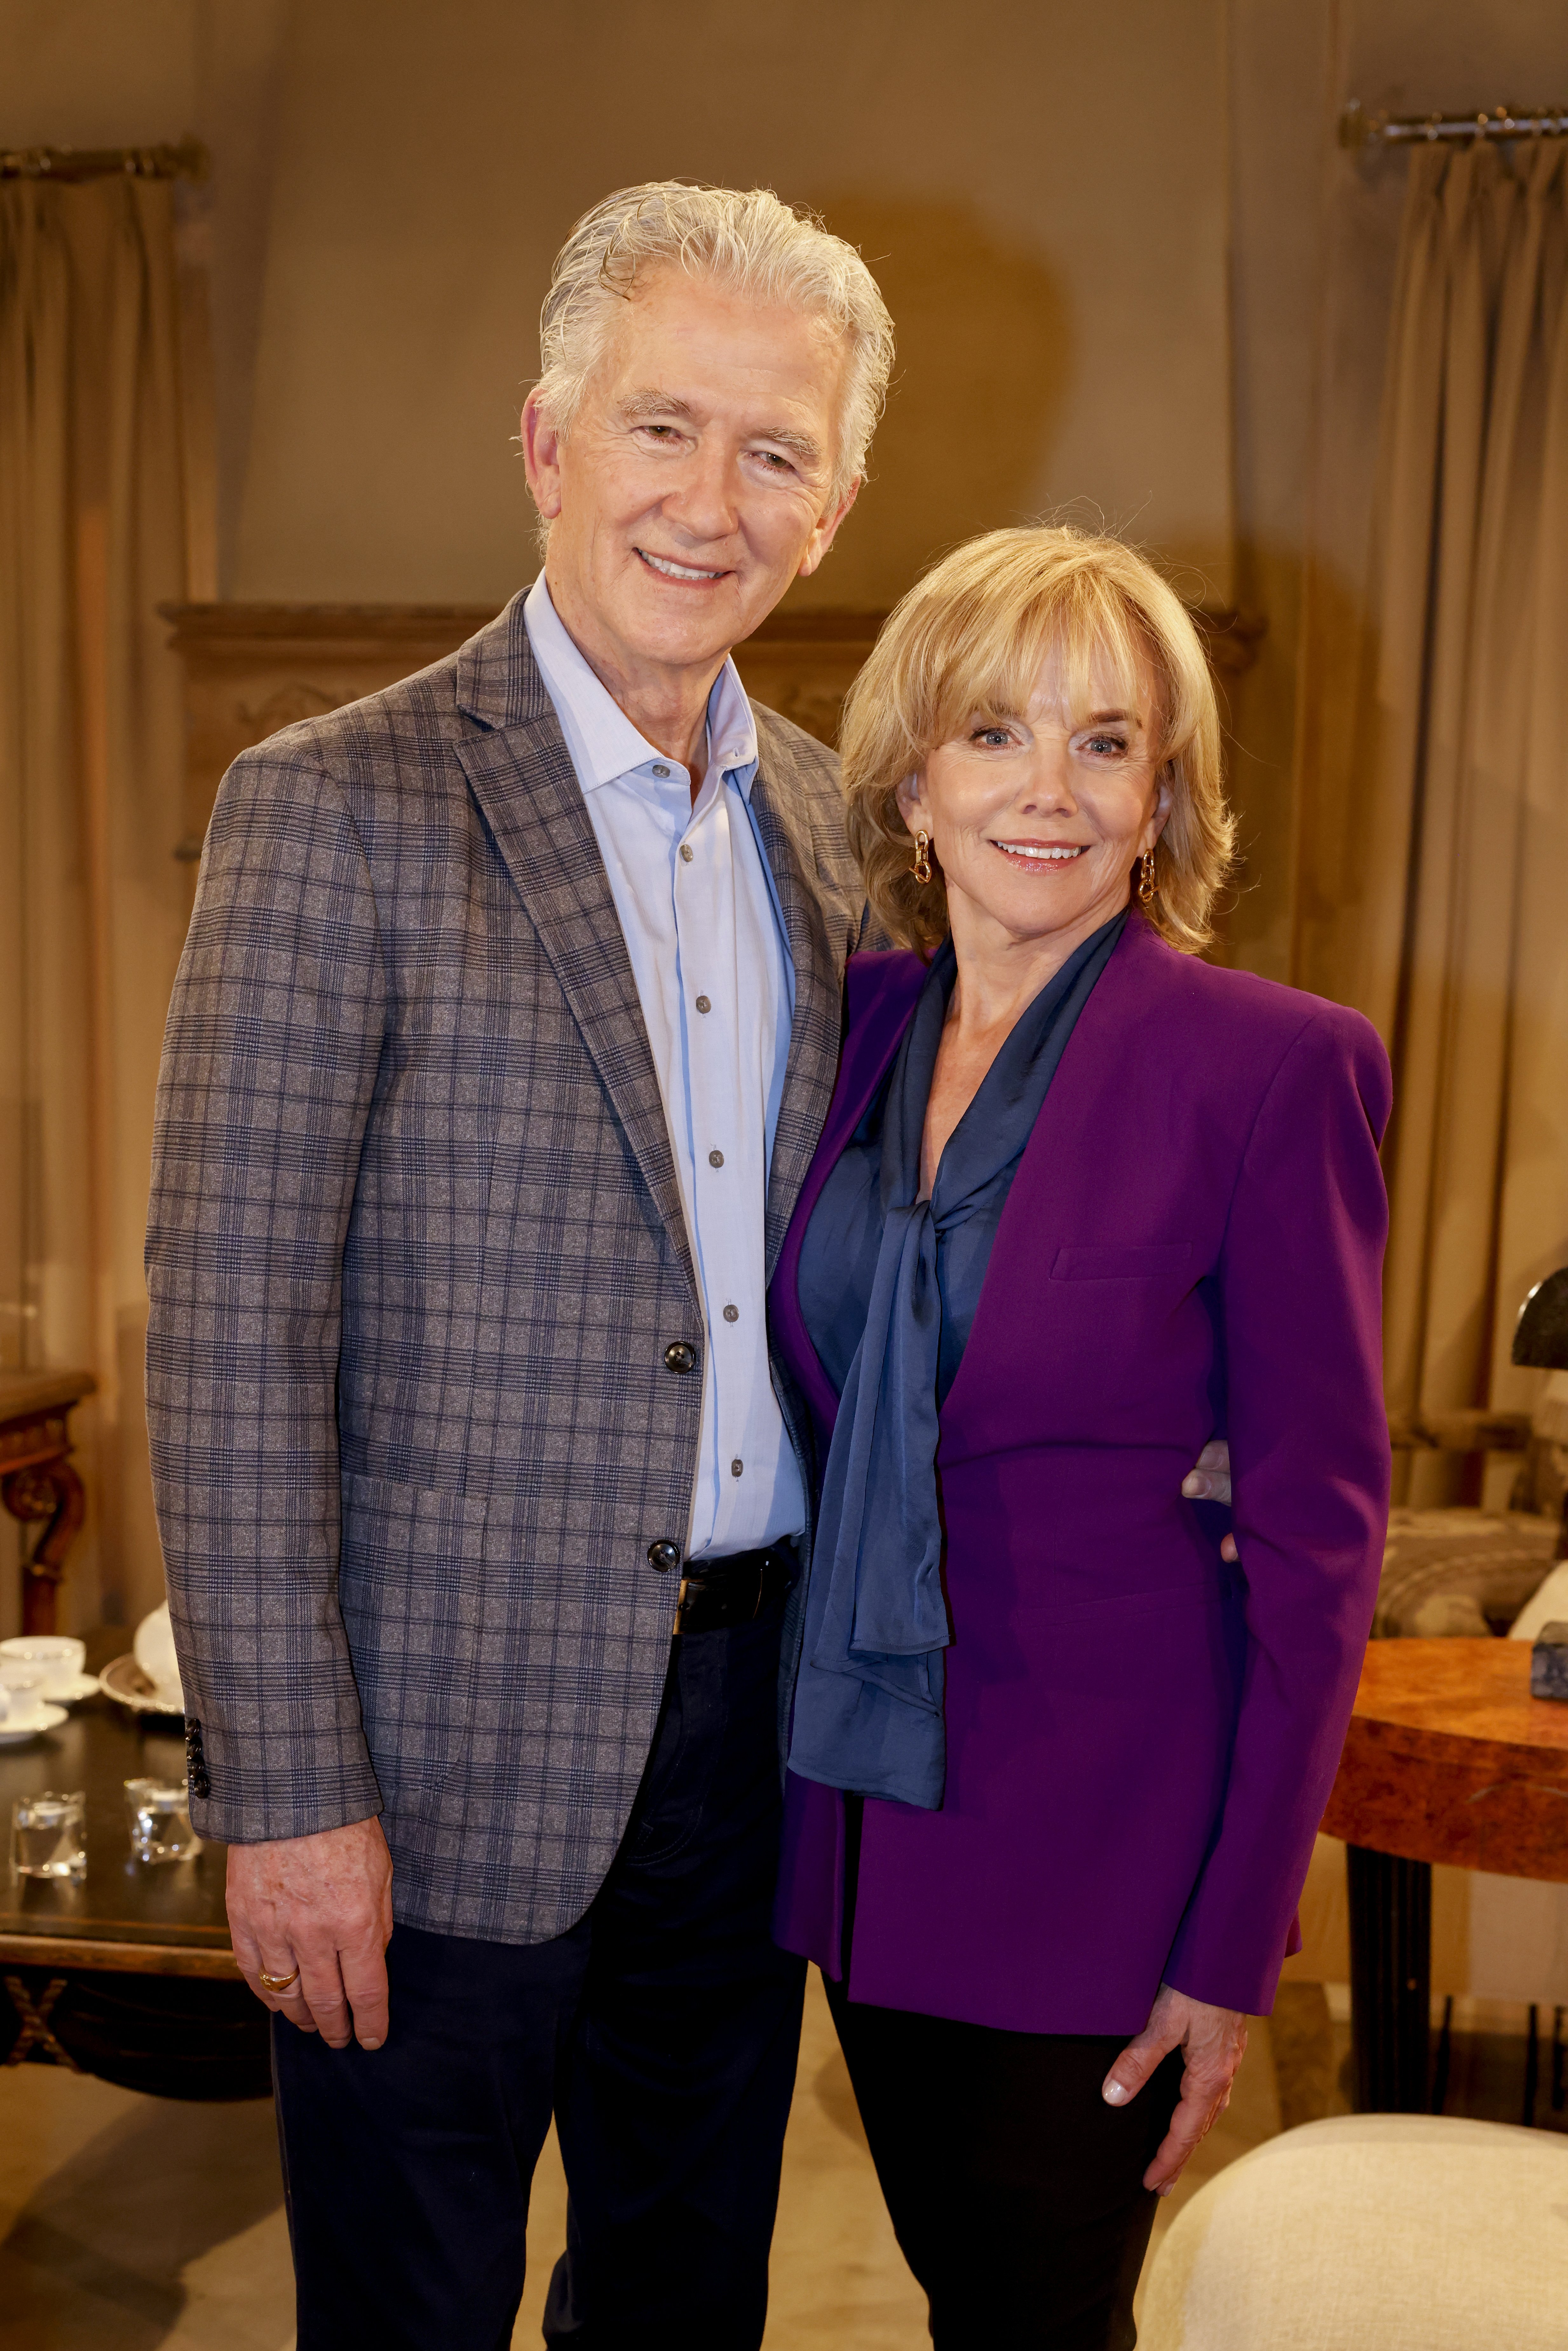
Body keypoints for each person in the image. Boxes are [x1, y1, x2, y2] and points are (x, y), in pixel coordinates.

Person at [145, 186, 1229, 2347]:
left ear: (831, 506)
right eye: (664, 429)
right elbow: (225, 1335)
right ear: (547, 443)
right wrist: (290, 1795)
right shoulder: (332, 805)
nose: (708, 501)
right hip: (429, 1759)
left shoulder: (848, 834)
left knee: (682, 2301)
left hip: (753, 1746)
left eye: (774, 452)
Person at [769, 526, 1392, 2350]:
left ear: (1161, 797)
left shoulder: (1272, 1066)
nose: (1047, 787)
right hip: (863, 1817)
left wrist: (1231, 1944)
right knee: (959, 2286)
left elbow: (1316, 1540)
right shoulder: (847, 1033)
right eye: (994, 734)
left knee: (1040, 2314)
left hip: (1105, 1845)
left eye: (1105, 742)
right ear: (912, 772)